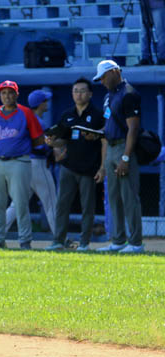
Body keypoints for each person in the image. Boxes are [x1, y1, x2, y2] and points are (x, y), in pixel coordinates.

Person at [45, 78, 106, 251]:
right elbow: (62, 140)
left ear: (90, 94)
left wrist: (102, 167)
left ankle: (84, 243)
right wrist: (52, 143)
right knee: (62, 204)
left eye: (82, 91)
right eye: (75, 91)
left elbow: (104, 142)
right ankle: (58, 240)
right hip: (68, 167)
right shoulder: (67, 114)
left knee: (88, 207)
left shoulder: (98, 114)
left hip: (88, 168)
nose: (78, 94)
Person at [0, 80, 44, 249]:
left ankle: (25, 240)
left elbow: (38, 138)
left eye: (10, 92)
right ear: (0, 95)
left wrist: (22, 146)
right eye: (3, 93)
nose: (7, 96)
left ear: (17, 94)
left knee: (21, 203)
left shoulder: (25, 113)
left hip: (19, 161)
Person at [93, 60, 144, 253]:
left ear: (115, 72)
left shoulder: (129, 93)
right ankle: (118, 240)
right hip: (111, 146)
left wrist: (125, 158)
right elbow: (108, 126)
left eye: (104, 76)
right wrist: (95, 134)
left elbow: (133, 128)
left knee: (129, 197)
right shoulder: (109, 96)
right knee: (113, 198)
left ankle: (136, 243)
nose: (102, 81)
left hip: (123, 147)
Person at [5, 89, 57, 237]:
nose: (47, 103)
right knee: (51, 202)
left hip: (23, 164)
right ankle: (60, 237)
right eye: (45, 101)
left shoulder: (23, 119)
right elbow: (41, 147)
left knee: (16, 204)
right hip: (37, 164)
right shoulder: (37, 122)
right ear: (40, 104)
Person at [137, 0, 165, 65]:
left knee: (160, 33)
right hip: (144, 6)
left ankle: (162, 57)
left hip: (158, 5)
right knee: (144, 34)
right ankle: (145, 58)